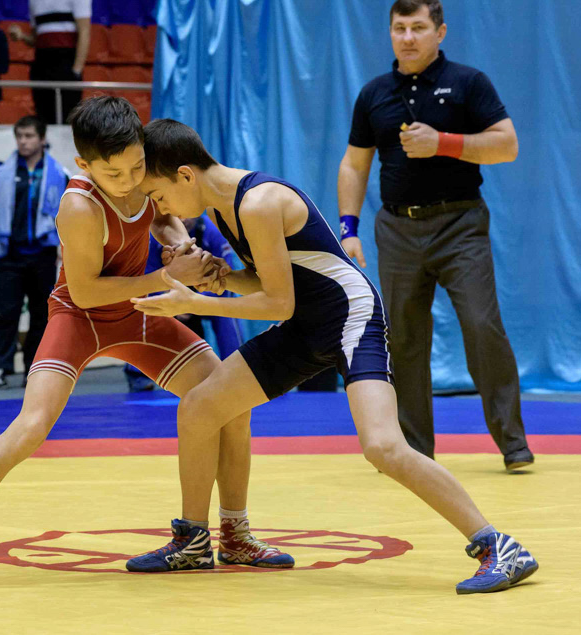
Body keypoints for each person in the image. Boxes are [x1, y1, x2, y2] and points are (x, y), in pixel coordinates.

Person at [0, 96, 291, 592]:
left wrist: (180, 242)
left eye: (137, 168)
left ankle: (234, 532)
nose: (130, 181)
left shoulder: (140, 169)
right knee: (31, 426)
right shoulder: (79, 204)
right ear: (85, 164)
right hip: (80, 318)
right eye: (115, 173)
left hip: (138, 314)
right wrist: (166, 275)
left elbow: (160, 216)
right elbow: (85, 292)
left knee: (228, 400)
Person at [130, 118, 538, 594]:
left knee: (383, 447)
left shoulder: (258, 202)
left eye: (157, 195)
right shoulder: (223, 210)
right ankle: (200, 541)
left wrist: (195, 303)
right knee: (201, 406)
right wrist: (219, 277)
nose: (160, 209)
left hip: (350, 318)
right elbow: (270, 280)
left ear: (184, 175)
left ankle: (497, 545)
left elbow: (277, 303)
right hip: (306, 323)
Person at [337, 0, 532, 471]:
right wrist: (348, 228)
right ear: (390, 33)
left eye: (418, 28)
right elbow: (354, 164)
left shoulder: (468, 82)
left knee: (482, 326)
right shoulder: (374, 93)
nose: (407, 38)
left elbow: (506, 145)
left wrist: (442, 143)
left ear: (439, 33)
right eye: (399, 29)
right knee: (402, 338)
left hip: (460, 224)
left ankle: (513, 443)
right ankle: (414, 451)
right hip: (397, 229)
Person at [0, 115, 67, 389]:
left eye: (29, 136)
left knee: (42, 315)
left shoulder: (59, 174)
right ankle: (0, 368)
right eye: (20, 136)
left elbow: (69, 217)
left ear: (42, 139)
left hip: (43, 254)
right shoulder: (1, 174)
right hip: (11, 254)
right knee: (7, 314)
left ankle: (34, 369)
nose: (24, 141)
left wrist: (67, 249)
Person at [124, 214, 243, 392]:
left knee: (227, 314)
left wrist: (195, 302)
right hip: (166, 289)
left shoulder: (212, 232)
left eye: (189, 215)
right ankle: (136, 373)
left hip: (203, 292)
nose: (184, 219)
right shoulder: (151, 236)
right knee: (141, 307)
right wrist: (171, 298)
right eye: (179, 216)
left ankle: (237, 370)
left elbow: (226, 284)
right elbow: (145, 282)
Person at [9, 0, 91, 124]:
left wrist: (77, 69)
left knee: (69, 116)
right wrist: (21, 36)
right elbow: (36, 38)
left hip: (66, 63)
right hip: (42, 63)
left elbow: (85, 33)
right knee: (43, 116)